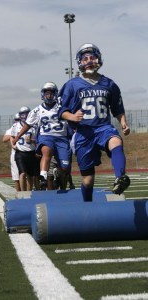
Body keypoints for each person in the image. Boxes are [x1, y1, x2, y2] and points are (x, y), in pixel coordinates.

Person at [58, 43, 130, 201]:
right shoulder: (72, 85)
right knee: (88, 179)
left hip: (103, 128)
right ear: (80, 62)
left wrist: (123, 122)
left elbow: (117, 108)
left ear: (99, 59)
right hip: (83, 133)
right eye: (85, 58)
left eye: (93, 57)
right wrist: (72, 116)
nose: (89, 60)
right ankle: (88, 205)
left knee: (116, 141)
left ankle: (120, 177)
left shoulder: (109, 84)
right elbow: (61, 111)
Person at [11, 82, 71, 190]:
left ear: (55, 94)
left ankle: (58, 174)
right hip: (46, 136)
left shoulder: (62, 107)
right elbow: (28, 125)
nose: (49, 96)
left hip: (62, 138)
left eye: (51, 93)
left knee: (65, 167)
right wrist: (18, 136)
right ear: (43, 94)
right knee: (46, 152)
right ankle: (43, 176)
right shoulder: (37, 110)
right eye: (46, 93)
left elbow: (71, 119)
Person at [10, 106, 39, 191]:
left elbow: (38, 141)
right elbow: (12, 137)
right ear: (20, 115)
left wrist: (32, 140)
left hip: (31, 152)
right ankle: (23, 193)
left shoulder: (34, 126)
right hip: (20, 153)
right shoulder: (15, 126)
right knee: (22, 174)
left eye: (26, 114)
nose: (25, 116)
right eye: (23, 114)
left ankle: (29, 192)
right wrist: (13, 145)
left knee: (30, 175)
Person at [2, 113, 20, 191]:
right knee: (16, 176)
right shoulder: (12, 129)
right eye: (17, 120)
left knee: (27, 175)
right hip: (15, 153)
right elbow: (4, 139)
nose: (18, 121)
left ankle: (27, 192)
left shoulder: (27, 127)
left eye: (19, 120)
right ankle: (18, 192)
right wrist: (15, 134)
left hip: (27, 152)